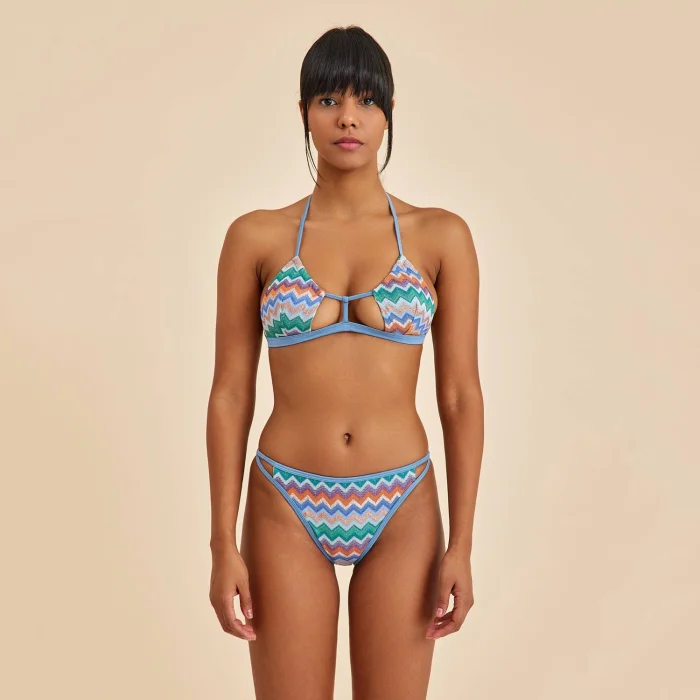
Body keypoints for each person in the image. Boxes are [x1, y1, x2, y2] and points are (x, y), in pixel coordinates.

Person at [206, 24, 484, 700]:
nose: (348, 118)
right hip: (285, 501)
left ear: (389, 113)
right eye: (329, 99)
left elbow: (459, 396)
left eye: (366, 100)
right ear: (304, 112)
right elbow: (230, 396)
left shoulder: (441, 236)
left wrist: (463, 546)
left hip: (402, 503)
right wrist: (221, 545)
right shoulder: (256, 237)